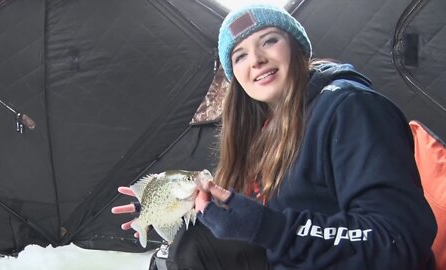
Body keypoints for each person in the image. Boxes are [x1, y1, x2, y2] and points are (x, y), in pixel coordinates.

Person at [112, 4, 437, 269]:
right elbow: (269, 210)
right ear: (235, 76)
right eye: (239, 55)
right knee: (184, 249)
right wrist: (175, 206)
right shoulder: (265, 126)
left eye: (268, 40)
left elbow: (397, 240)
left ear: (296, 47)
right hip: (293, 257)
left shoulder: (352, 109)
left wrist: (273, 228)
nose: (256, 60)